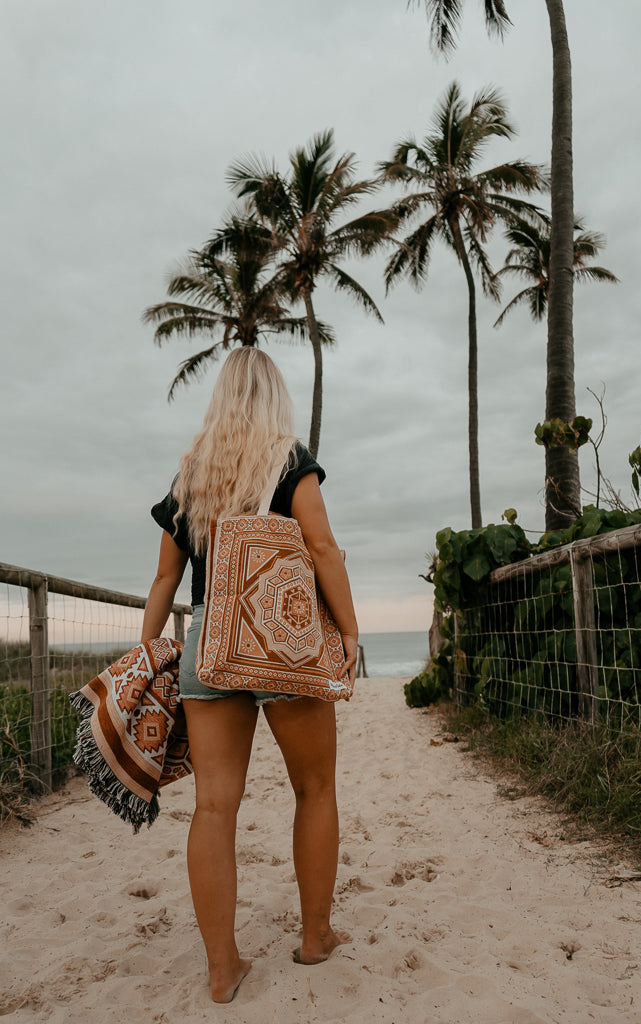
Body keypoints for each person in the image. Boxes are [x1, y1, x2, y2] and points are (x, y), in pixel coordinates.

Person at [141, 347, 358, 1003]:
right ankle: (315, 936)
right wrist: (347, 629)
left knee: (212, 807)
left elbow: (163, 580)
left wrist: (149, 654)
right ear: (273, 397)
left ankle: (220, 968)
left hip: (209, 640)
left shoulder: (191, 475)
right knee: (315, 788)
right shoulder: (288, 460)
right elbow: (321, 548)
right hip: (280, 642)